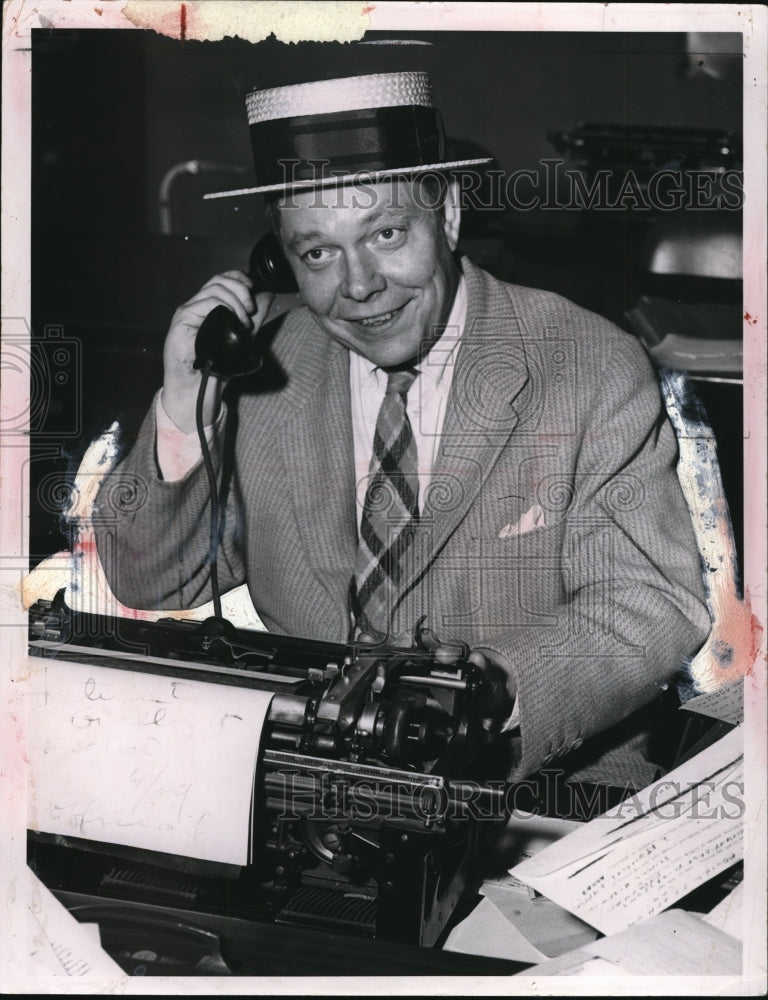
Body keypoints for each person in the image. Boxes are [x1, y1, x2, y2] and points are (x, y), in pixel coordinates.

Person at [93, 71, 711, 787]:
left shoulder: (589, 364)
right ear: (279, 257)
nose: (358, 285)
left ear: (446, 216)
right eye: (317, 251)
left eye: (385, 234)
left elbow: (650, 601)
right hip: (315, 789)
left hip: (538, 789)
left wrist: (488, 690)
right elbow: (150, 577)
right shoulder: (266, 372)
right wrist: (183, 410)